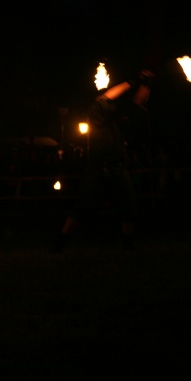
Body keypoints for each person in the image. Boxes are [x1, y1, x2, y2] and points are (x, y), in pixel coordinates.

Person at [50, 70, 153, 253]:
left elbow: (139, 103)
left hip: (118, 169)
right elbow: (106, 97)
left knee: (130, 208)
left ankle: (128, 247)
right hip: (98, 169)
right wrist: (135, 80)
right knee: (80, 209)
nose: (109, 102)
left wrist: (146, 83)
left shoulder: (117, 122)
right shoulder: (95, 113)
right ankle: (59, 245)